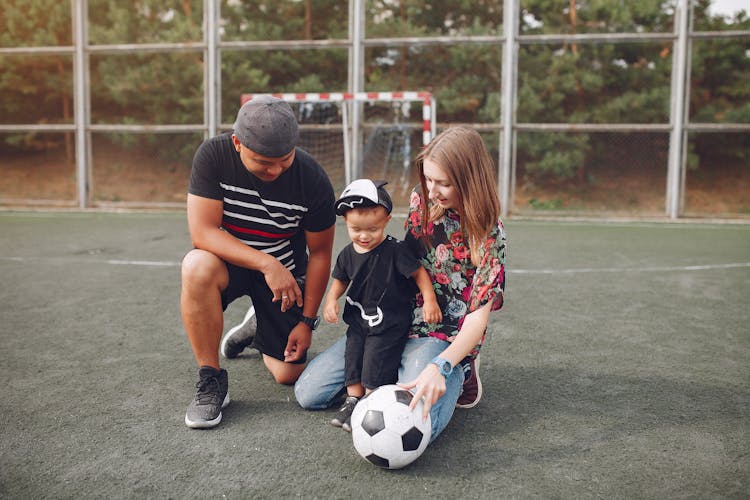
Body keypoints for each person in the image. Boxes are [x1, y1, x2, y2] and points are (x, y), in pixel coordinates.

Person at [294, 125, 506, 444]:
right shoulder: (422, 199)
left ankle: (460, 369)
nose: (432, 190)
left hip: (442, 333)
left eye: (443, 183)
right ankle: (394, 367)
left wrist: (442, 364)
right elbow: (403, 258)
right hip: (390, 319)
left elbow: (478, 318)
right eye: (429, 179)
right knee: (309, 393)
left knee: (417, 422)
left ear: (469, 180)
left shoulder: (491, 236)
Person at [182, 95, 336, 429]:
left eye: (284, 159)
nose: (276, 169)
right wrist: (266, 264)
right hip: (230, 264)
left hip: (285, 275)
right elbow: (203, 232)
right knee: (196, 265)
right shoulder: (213, 156)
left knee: (287, 374)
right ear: (237, 143)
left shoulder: (313, 179)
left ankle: (257, 327)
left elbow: (321, 254)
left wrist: (307, 323)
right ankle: (211, 380)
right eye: (264, 162)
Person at [324, 179, 442, 431]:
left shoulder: (395, 251)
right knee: (353, 360)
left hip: (388, 324)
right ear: (346, 222)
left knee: (374, 364)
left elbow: (419, 273)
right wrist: (331, 299)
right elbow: (340, 278)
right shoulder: (347, 253)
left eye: (372, 229)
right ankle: (353, 399)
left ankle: (371, 402)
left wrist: (430, 299)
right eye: (356, 229)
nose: (364, 236)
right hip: (358, 323)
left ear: (386, 221)